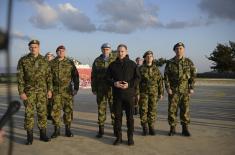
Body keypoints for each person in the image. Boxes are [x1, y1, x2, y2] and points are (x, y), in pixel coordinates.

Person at [17, 40, 52, 145]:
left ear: (39, 47)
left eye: (35, 47)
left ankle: (43, 135)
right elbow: (20, 78)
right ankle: (29, 137)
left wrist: (50, 90)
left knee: (42, 113)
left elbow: (49, 77)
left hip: (42, 92)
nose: (33, 48)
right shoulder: (23, 60)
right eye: (31, 47)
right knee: (29, 114)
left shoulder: (44, 61)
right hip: (29, 92)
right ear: (29, 48)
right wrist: (21, 92)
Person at [106, 44, 140, 146]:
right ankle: (119, 137)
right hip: (117, 95)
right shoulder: (112, 65)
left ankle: (130, 137)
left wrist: (129, 84)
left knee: (130, 118)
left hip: (129, 95)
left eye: (122, 51)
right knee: (117, 118)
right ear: (116, 52)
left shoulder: (132, 64)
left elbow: (138, 78)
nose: (120, 53)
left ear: (126, 51)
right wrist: (114, 83)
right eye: (119, 51)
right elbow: (107, 78)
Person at [164, 42, 196, 137]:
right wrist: (168, 88)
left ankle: (185, 129)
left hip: (185, 90)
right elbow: (166, 77)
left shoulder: (189, 62)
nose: (179, 50)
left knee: (185, 110)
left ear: (184, 50)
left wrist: (191, 87)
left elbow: (193, 76)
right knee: (172, 110)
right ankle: (172, 128)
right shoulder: (170, 62)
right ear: (174, 50)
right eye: (177, 48)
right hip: (173, 91)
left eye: (181, 48)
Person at [50, 45, 79, 138]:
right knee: (55, 111)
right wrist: (49, 90)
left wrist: (76, 88)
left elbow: (75, 76)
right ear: (56, 52)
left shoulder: (70, 62)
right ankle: (56, 130)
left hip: (67, 91)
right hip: (56, 91)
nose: (61, 52)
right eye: (59, 51)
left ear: (65, 52)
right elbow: (48, 78)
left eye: (62, 51)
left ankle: (68, 130)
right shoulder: (51, 63)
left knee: (68, 110)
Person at [91, 43, 116, 138]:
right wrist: (94, 88)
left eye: (107, 49)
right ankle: (101, 130)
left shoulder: (115, 60)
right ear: (101, 50)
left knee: (114, 110)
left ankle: (115, 129)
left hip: (113, 90)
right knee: (101, 110)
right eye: (104, 49)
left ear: (110, 50)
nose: (106, 50)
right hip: (100, 89)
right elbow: (93, 76)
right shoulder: (97, 61)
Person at [138, 51, 164, 136]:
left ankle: (151, 126)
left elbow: (160, 82)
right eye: (147, 56)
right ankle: (144, 127)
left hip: (154, 93)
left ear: (153, 58)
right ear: (145, 58)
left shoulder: (156, 69)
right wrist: (137, 93)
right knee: (143, 110)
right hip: (143, 93)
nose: (149, 58)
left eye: (151, 56)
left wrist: (161, 93)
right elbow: (137, 82)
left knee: (152, 110)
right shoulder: (140, 69)